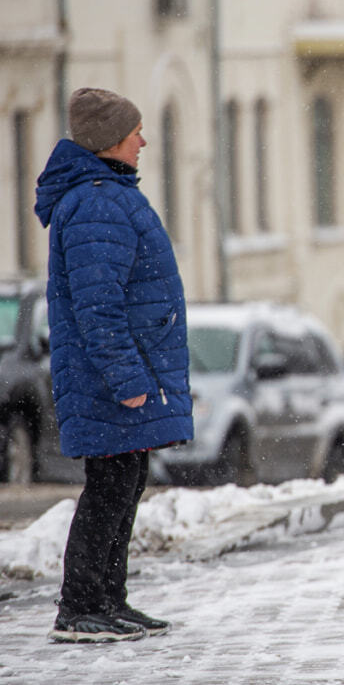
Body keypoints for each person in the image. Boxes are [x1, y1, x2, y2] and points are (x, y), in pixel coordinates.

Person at [34, 87, 193, 643]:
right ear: (109, 142)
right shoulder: (97, 202)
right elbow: (97, 306)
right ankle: (78, 607)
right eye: (135, 133)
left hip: (126, 373)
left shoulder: (107, 195)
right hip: (112, 378)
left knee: (125, 481)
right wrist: (128, 379)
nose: (143, 141)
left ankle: (108, 598)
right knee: (110, 485)